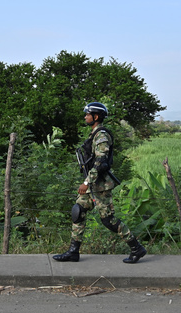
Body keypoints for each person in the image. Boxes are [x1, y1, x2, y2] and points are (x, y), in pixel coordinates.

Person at [52, 102, 147, 264]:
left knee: (108, 220)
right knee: (78, 211)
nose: (85, 116)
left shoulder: (102, 135)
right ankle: (73, 252)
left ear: (96, 117)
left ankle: (136, 247)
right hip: (93, 184)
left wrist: (86, 182)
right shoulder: (94, 134)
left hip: (100, 186)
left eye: (88, 114)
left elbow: (101, 162)